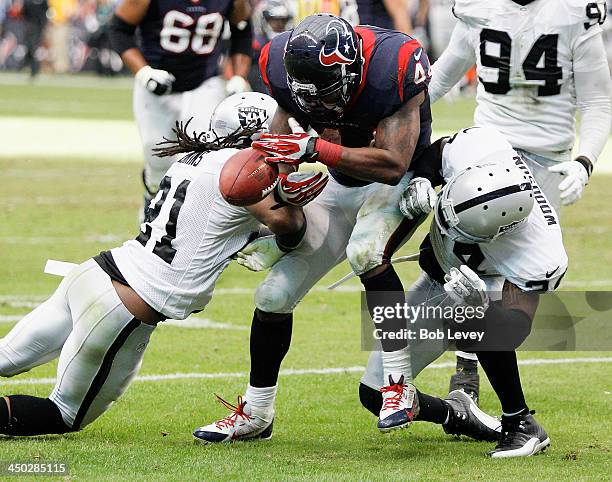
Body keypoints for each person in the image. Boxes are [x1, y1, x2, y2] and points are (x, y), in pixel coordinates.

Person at [0, 93, 328, 437]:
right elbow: (289, 229)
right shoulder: (241, 173)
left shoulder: (193, 158)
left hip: (94, 274)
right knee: (65, 413)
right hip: (123, 305)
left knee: (6, 355)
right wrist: (289, 183)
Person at [193, 13, 433, 442]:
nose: (319, 106)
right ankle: (257, 412)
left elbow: (394, 164)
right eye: (310, 97)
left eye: (326, 94)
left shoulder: (393, 64)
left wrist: (314, 147)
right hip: (335, 179)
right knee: (272, 294)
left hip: (397, 179)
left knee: (366, 252)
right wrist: (282, 186)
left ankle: (398, 384)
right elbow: (279, 136)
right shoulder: (278, 63)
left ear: (350, 66)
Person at [426, 0, 612, 402]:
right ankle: (466, 371)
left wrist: (584, 162)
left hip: (546, 163)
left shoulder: (575, 11)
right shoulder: (478, 7)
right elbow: (437, 81)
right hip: (487, 153)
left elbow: (598, 101)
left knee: (523, 286)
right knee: (464, 268)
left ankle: (493, 388)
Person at [360, 125, 567, 458]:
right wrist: (424, 180)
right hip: (436, 283)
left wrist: (483, 306)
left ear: (499, 234)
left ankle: (521, 423)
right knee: (375, 394)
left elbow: (516, 328)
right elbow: (438, 152)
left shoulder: (539, 252)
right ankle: (457, 414)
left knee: (468, 318)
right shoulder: (479, 148)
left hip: (488, 286)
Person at [108, 0, 254, 220]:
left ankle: (196, 219)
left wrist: (239, 76)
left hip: (204, 82)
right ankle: (153, 198)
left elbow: (242, 29)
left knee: (208, 155)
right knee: (157, 156)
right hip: (157, 83)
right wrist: (143, 72)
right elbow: (118, 29)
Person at [249, 0, 293, 94]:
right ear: (264, 20)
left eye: (283, 20)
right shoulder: (257, 44)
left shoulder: (292, 43)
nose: (279, 24)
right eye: (274, 20)